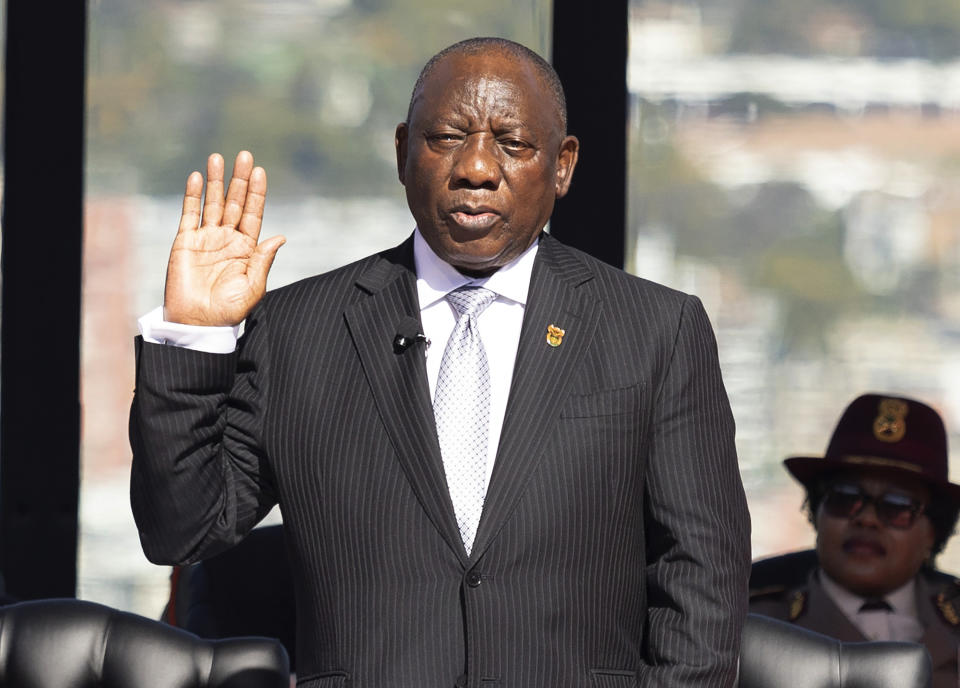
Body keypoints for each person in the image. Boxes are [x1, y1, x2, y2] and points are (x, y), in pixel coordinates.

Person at [130, 37, 750, 687]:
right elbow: (184, 532)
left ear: (563, 165)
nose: (477, 168)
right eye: (448, 137)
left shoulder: (655, 330)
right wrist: (195, 336)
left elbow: (702, 573)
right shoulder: (297, 331)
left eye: (512, 144)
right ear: (402, 153)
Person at [750, 393, 960, 688]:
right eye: (845, 499)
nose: (867, 520)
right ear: (816, 511)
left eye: (897, 507)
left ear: (932, 532)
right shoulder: (748, 622)